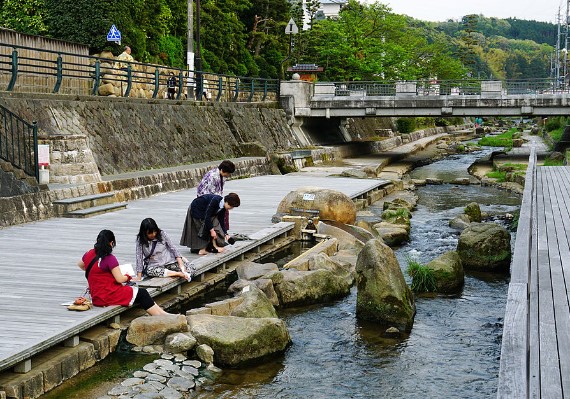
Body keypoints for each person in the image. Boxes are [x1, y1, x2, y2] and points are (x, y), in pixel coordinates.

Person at [77, 229, 171, 316]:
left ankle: (163, 313)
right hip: (108, 295)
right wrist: (128, 276)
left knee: (139, 292)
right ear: (111, 243)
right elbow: (119, 279)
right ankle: (160, 315)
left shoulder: (89, 253)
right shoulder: (110, 258)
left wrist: (96, 273)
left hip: (96, 297)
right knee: (142, 293)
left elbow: (81, 265)